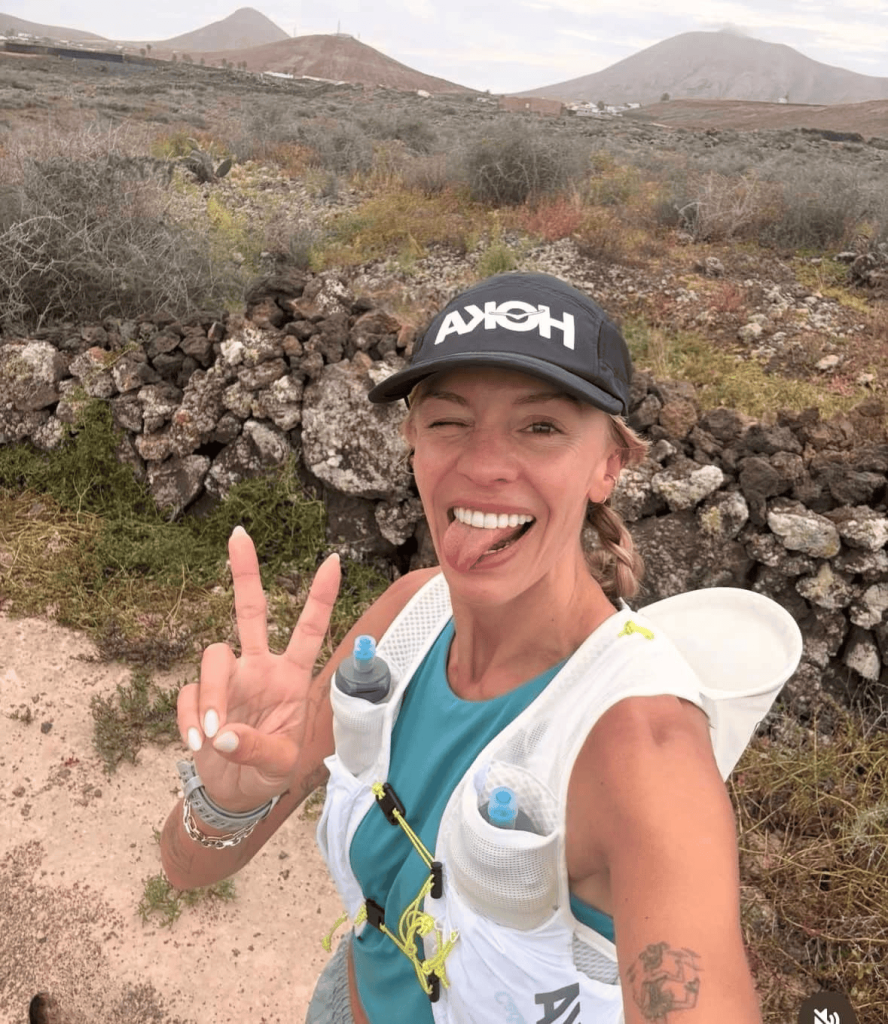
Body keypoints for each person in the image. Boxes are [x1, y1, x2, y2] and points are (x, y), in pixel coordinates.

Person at [160, 272, 767, 1024]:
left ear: (609, 464)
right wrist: (226, 796)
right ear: (412, 442)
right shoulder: (406, 619)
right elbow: (188, 870)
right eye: (449, 422)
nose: (482, 466)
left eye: (540, 427)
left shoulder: (643, 753)